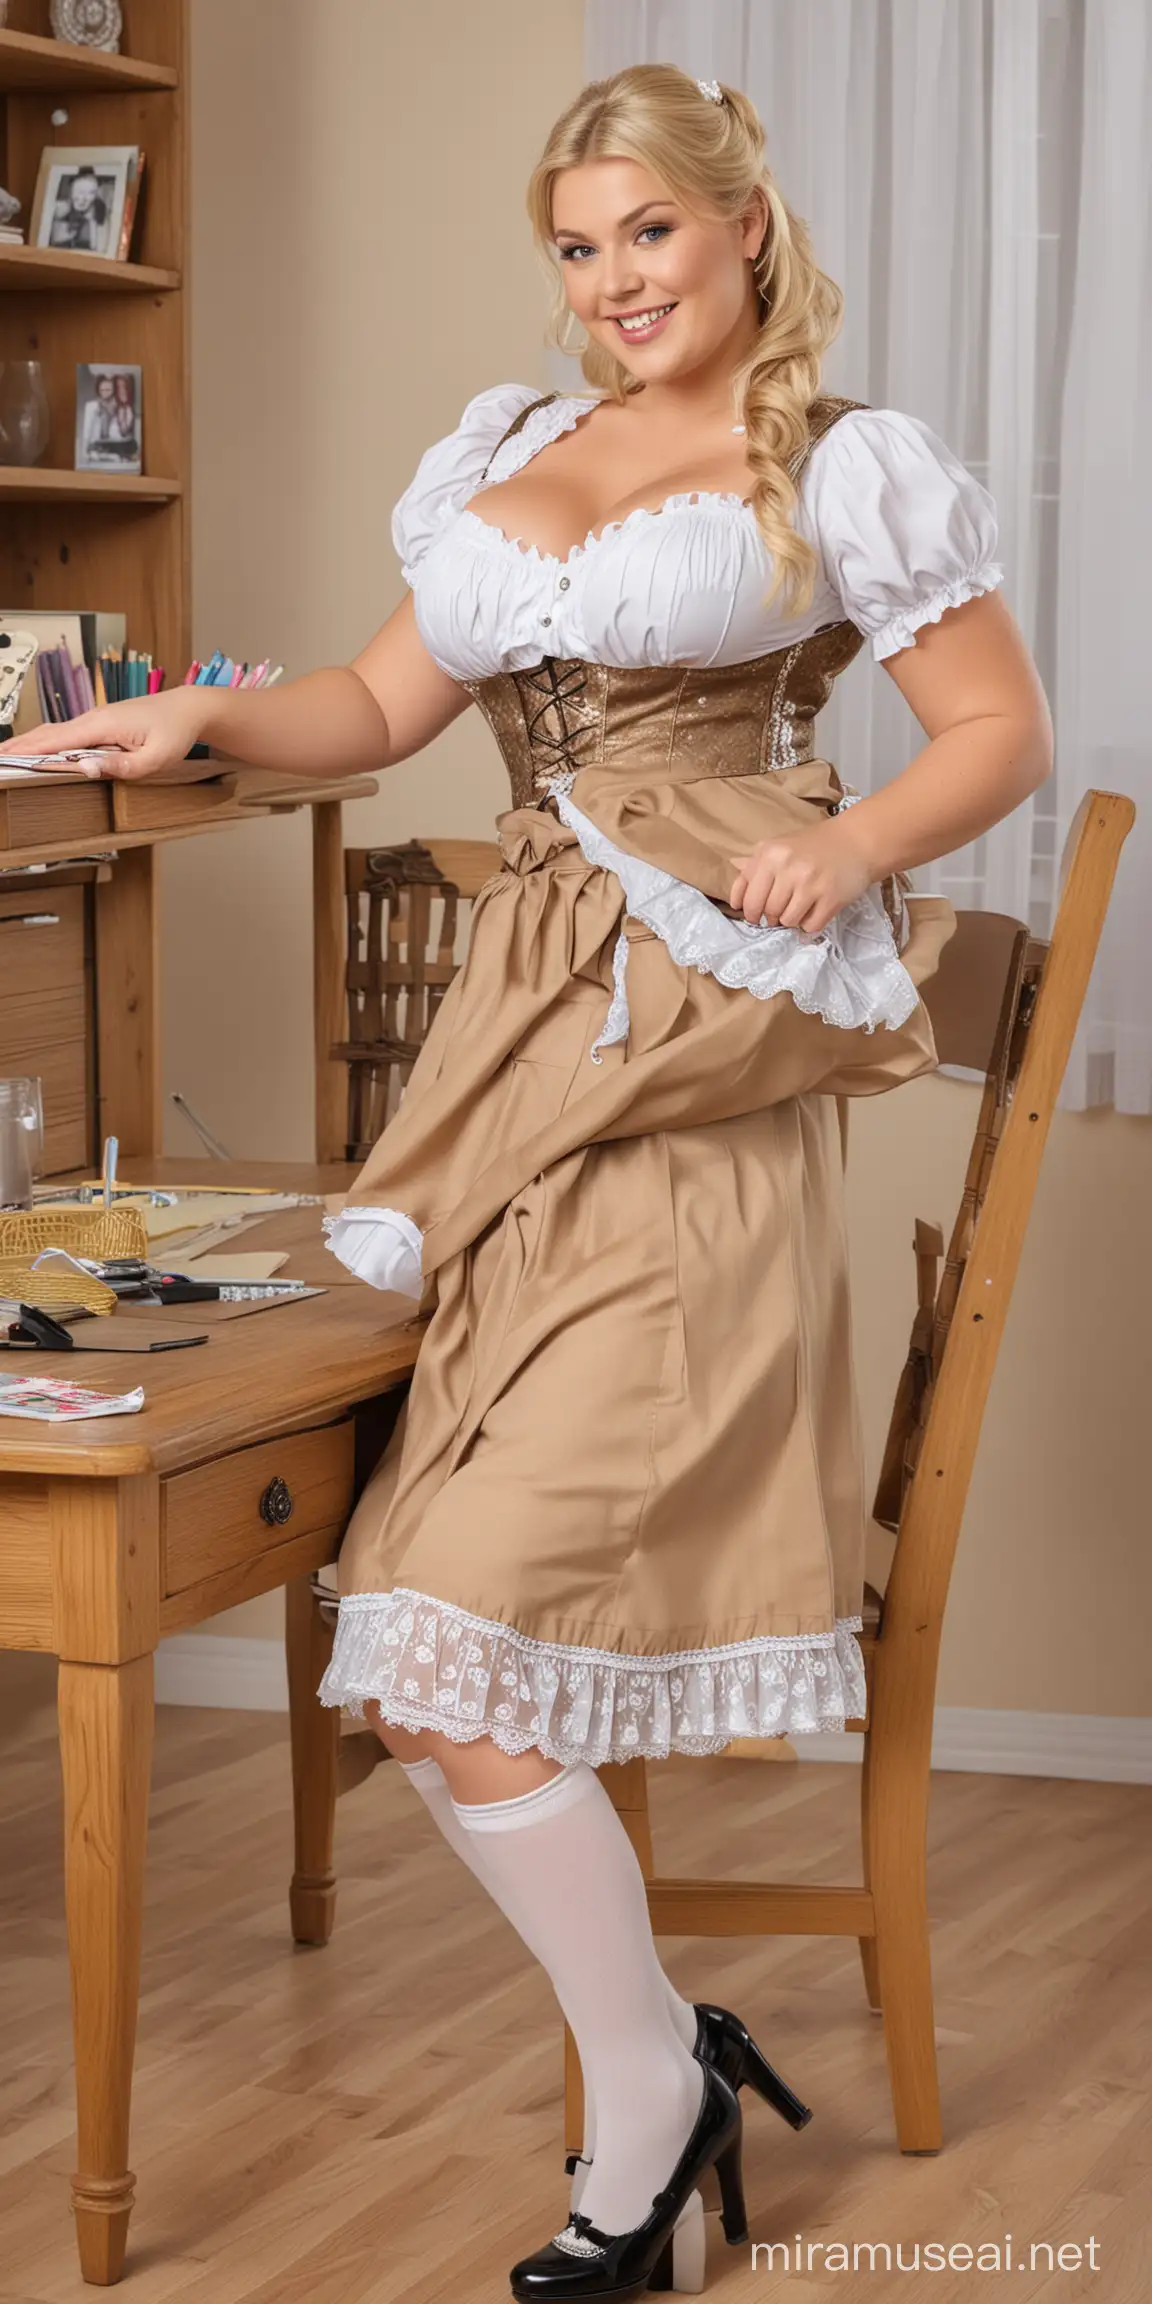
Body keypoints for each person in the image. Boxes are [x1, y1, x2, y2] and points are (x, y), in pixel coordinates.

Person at [1, 63, 1052, 2299]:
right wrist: (179, 722)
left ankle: (644, 2112)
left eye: (647, 236)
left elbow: (997, 738)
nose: (612, 286)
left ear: (744, 223)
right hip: (519, 1070)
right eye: (576, 248)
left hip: (689, 1072)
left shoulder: (834, 459)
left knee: (445, 1630)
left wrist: (843, 840)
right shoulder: (503, 455)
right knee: (425, 1636)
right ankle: (664, 2071)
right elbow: (381, 713)